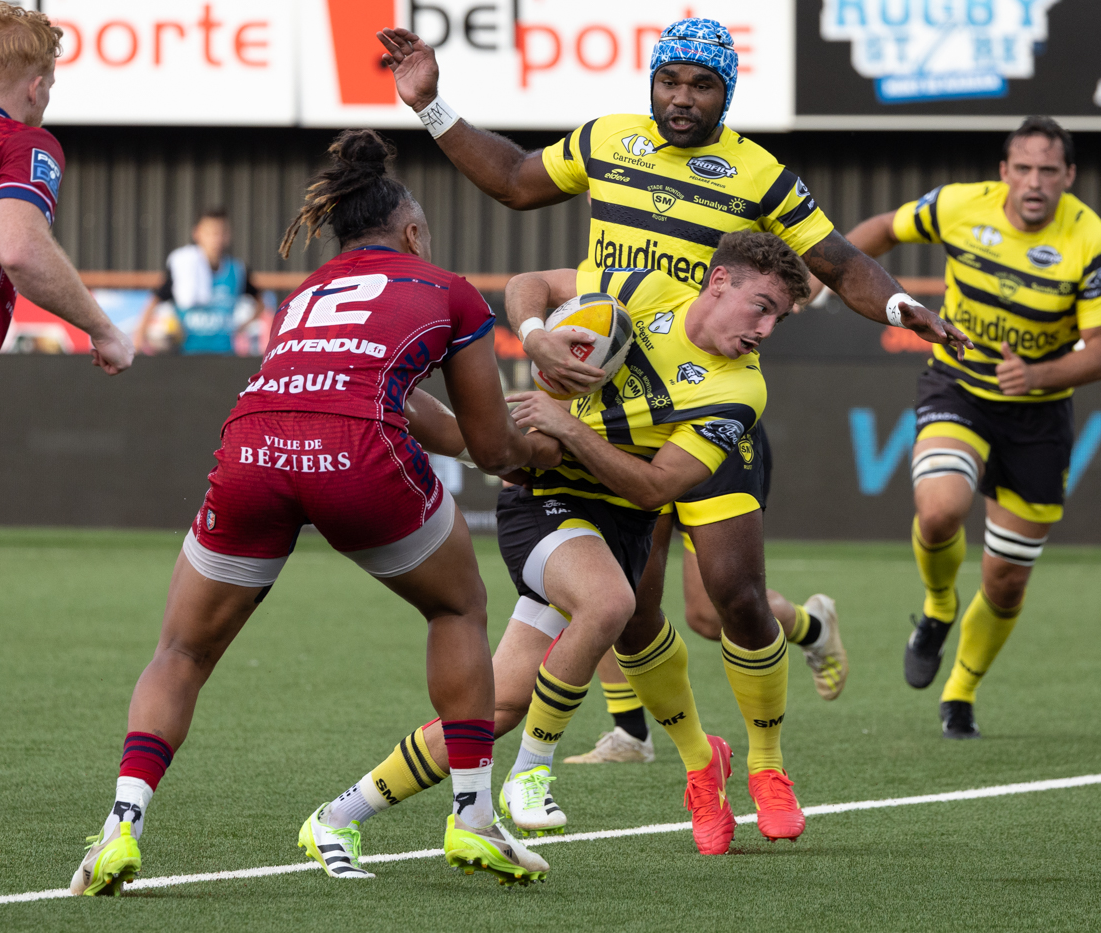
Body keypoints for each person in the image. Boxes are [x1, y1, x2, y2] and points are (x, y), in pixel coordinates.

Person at [373, 15, 969, 776]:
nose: (683, 98)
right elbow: (518, 180)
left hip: (706, 400)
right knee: (631, 602)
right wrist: (431, 104)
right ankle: (647, 740)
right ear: (652, 81)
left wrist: (897, 308)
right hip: (615, 407)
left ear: (728, 93)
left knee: (724, 600)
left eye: (702, 85)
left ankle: (785, 697)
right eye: (670, 81)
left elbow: (842, 260)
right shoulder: (608, 140)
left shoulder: (758, 173)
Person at [69, 130, 556, 896]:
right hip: (355, 456)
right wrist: (544, 451)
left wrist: (479, 442)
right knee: (458, 606)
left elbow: (375, 389)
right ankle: (471, 815)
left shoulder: (305, 293)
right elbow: (493, 449)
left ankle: (119, 828)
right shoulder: (446, 287)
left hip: (253, 446)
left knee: (182, 651)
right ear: (413, 232)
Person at [307, 231, 806, 859]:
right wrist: (538, 331)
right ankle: (529, 773)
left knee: (494, 707)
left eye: (780, 317)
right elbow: (527, 285)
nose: (766, 327)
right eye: (762, 305)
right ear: (719, 282)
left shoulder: (740, 391)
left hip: (619, 520)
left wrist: (568, 425)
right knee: (609, 604)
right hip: (546, 503)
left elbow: (654, 491)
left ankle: (336, 816)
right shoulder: (643, 289)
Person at [845, 116, 1101, 739]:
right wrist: (825, 272)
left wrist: (1043, 373)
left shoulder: (1090, 241)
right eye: (1022, 168)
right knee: (940, 509)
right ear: (1003, 172)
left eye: (1048, 171)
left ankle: (960, 694)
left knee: (1005, 578)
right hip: (958, 387)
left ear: (1068, 177)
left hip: (1038, 414)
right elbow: (881, 231)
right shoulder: (956, 204)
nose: (1034, 182)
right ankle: (938, 606)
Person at [0, 2, 133, 655]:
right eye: (52, 86)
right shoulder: (22, 143)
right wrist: (103, 329)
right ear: (35, 85)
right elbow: (20, 249)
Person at [134, 208, 266, 355]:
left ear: (228, 235)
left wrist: (242, 327)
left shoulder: (237, 270)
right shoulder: (182, 269)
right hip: (186, 355)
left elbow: (261, 302)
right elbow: (154, 301)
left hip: (225, 355)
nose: (216, 239)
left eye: (221, 233)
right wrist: (139, 338)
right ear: (197, 233)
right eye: (211, 233)